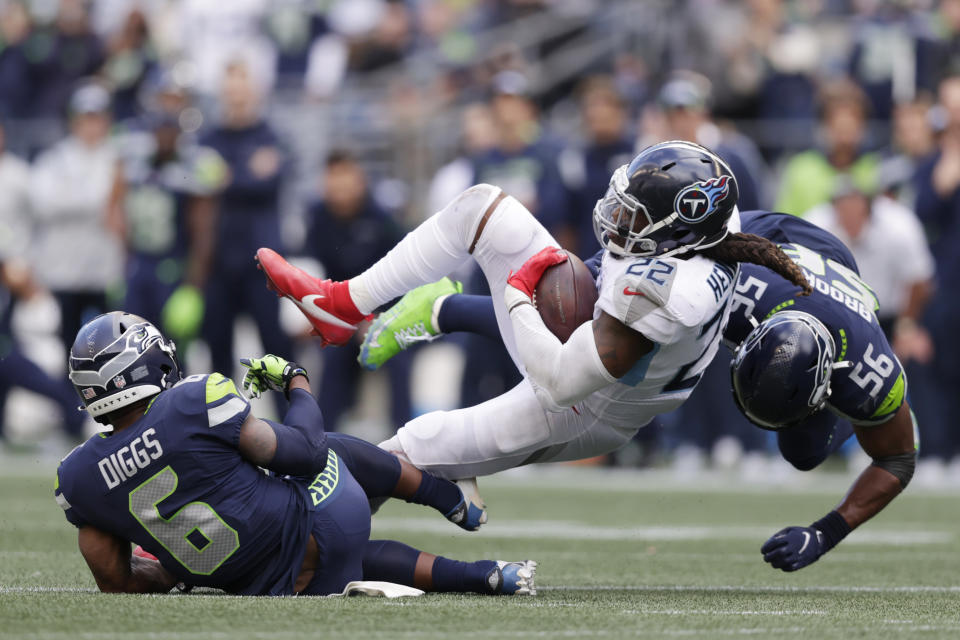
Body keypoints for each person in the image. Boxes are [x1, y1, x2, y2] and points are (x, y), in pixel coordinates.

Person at [365, 209, 919, 573]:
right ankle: (441, 307)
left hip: (833, 281)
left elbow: (897, 459)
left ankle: (450, 314)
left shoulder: (869, 370)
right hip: (779, 243)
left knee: (804, 454)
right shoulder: (742, 291)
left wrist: (826, 533)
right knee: (578, 322)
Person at [255, 140, 808, 485]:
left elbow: (563, 379)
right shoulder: (712, 229)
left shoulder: (671, 293)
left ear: (676, 236)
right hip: (590, 350)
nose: (617, 220)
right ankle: (340, 303)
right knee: (481, 206)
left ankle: (313, 528)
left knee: (405, 449)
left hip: (587, 404)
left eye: (634, 218)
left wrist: (519, 294)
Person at [54, 312, 535, 596]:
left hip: (274, 584)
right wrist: (296, 382)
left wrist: (170, 567)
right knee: (332, 452)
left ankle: (486, 577)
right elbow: (306, 452)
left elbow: (116, 579)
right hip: (326, 518)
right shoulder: (191, 400)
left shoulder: (77, 479)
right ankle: (449, 500)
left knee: (358, 560)